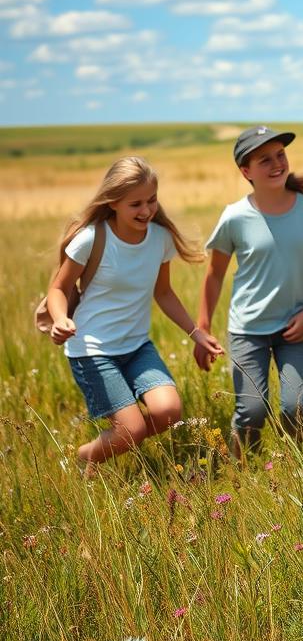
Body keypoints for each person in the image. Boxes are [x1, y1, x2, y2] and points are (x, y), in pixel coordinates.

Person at [46, 156, 222, 468]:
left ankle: (123, 443)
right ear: (112, 202)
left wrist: (197, 333)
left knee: (168, 412)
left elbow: (163, 292)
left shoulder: (160, 239)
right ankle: (85, 458)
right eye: (135, 204)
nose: (146, 211)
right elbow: (58, 289)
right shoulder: (92, 238)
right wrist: (61, 319)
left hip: (137, 346)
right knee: (131, 429)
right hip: (92, 350)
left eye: (151, 201)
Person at [196, 126, 303, 455]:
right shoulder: (234, 217)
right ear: (245, 171)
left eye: (280, 155)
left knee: (296, 407)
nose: (277, 164)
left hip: (295, 328)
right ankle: (243, 470)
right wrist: (202, 329)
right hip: (247, 330)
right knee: (251, 412)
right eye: (264, 160)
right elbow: (214, 274)